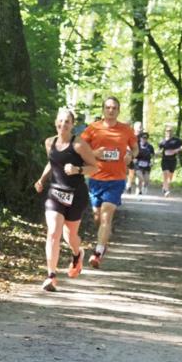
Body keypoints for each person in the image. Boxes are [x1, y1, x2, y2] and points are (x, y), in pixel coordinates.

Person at [34, 108, 98, 291]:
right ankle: (51, 276)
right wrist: (42, 180)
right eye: (60, 121)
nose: (63, 125)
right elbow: (52, 162)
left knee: (70, 236)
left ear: (72, 125)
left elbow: (94, 167)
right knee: (53, 232)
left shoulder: (79, 145)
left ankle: (78, 253)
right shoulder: (49, 142)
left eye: (67, 122)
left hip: (76, 195)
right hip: (55, 193)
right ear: (56, 122)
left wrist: (78, 170)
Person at [79, 97, 138, 269]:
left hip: (116, 180)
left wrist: (131, 155)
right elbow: (79, 148)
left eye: (114, 108)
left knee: (106, 213)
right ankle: (103, 242)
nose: (111, 110)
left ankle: (98, 253)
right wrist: (94, 153)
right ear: (103, 109)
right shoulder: (93, 128)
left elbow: (135, 148)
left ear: (118, 110)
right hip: (95, 178)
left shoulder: (126, 130)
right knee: (98, 217)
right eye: (108, 107)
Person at [159, 125, 182, 197]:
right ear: (165, 132)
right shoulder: (162, 141)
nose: (169, 132)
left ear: (172, 132)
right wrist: (158, 153)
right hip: (165, 160)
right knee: (166, 174)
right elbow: (160, 150)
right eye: (167, 131)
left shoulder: (176, 140)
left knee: (170, 177)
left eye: (170, 131)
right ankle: (166, 190)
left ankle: (164, 187)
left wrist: (176, 150)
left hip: (173, 160)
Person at [126, 121, 143, 193]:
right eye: (139, 127)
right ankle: (129, 185)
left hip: (139, 157)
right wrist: (132, 155)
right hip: (131, 156)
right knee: (131, 172)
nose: (140, 129)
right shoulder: (131, 135)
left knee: (138, 175)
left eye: (141, 127)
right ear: (135, 128)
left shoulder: (142, 136)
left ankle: (137, 189)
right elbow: (127, 145)